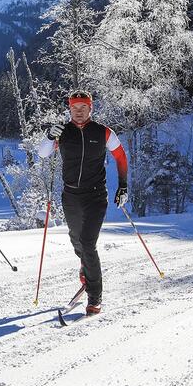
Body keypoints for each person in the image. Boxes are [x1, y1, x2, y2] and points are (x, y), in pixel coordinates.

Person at [37, 90, 128, 316]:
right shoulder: (62, 132)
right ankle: (85, 267)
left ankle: (94, 295)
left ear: (90, 108)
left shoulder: (103, 132)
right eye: (74, 107)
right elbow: (42, 154)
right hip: (70, 196)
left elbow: (121, 157)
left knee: (88, 243)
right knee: (76, 241)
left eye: (83, 107)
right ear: (70, 109)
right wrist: (49, 136)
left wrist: (123, 186)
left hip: (96, 196)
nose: (79, 111)